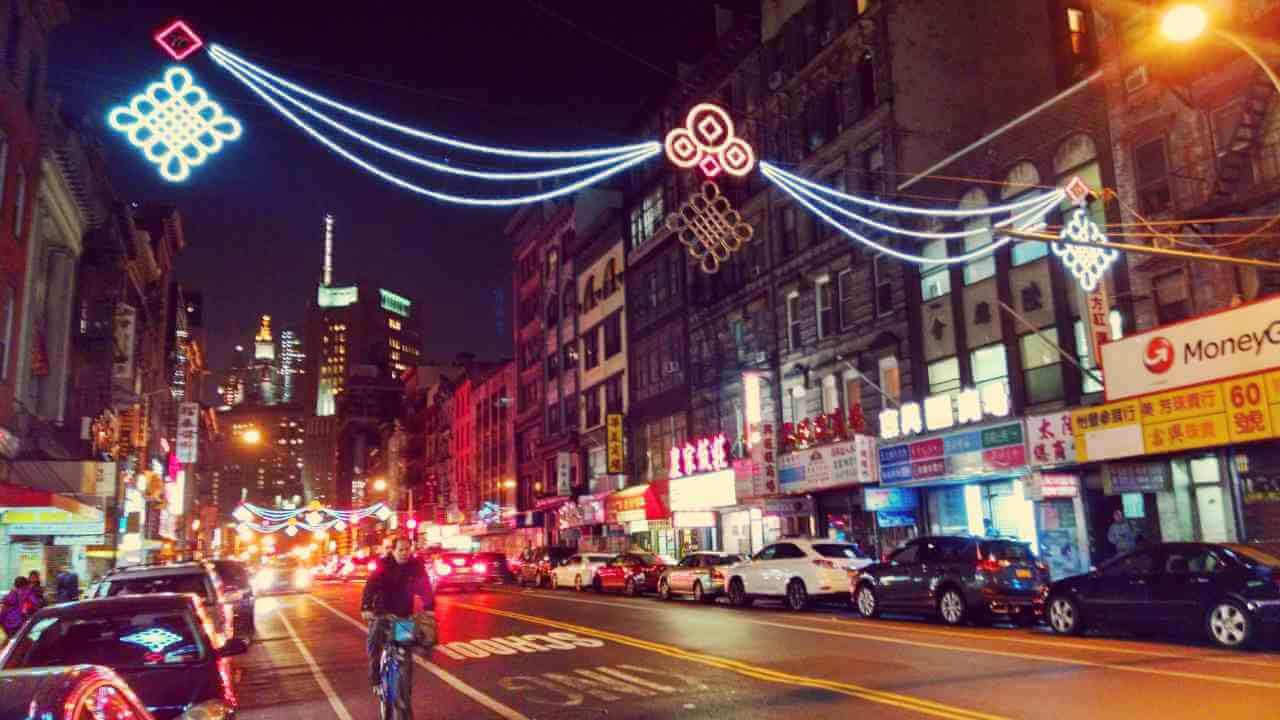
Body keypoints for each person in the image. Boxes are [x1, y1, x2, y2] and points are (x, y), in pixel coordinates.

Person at [360, 537, 434, 692]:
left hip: (404, 615)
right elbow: (370, 586)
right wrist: (366, 607)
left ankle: (405, 689)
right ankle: (376, 680)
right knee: (374, 644)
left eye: (407, 549)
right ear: (393, 551)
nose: (404, 553)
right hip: (383, 614)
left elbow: (424, 586)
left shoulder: (415, 565)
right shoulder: (383, 565)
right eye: (400, 550)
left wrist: (429, 606)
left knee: (406, 649)